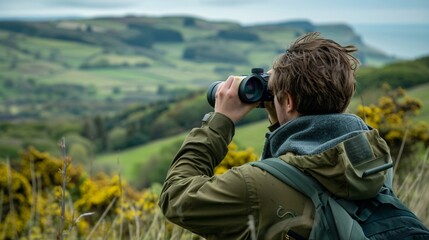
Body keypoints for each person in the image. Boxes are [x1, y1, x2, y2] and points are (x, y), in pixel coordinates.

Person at [158, 32, 388, 239]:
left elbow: (175, 197)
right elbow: (310, 152)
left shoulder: (255, 187)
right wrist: (281, 121)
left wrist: (220, 122)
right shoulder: (372, 160)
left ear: (288, 101)